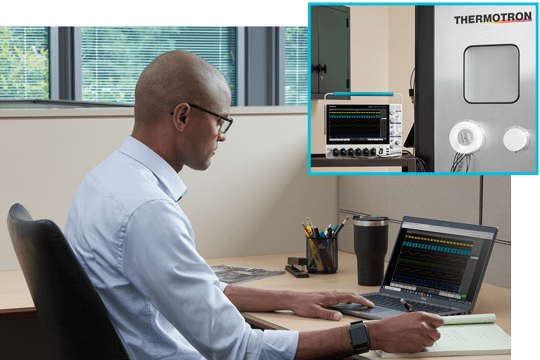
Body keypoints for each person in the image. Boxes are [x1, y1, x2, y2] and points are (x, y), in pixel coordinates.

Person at [65, 50, 443, 360]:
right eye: (220, 121)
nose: (221, 137)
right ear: (182, 116)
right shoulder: (148, 211)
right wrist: (371, 335)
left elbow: (198, 293)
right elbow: (239, 350)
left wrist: (291, 299)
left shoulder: (104, 180)